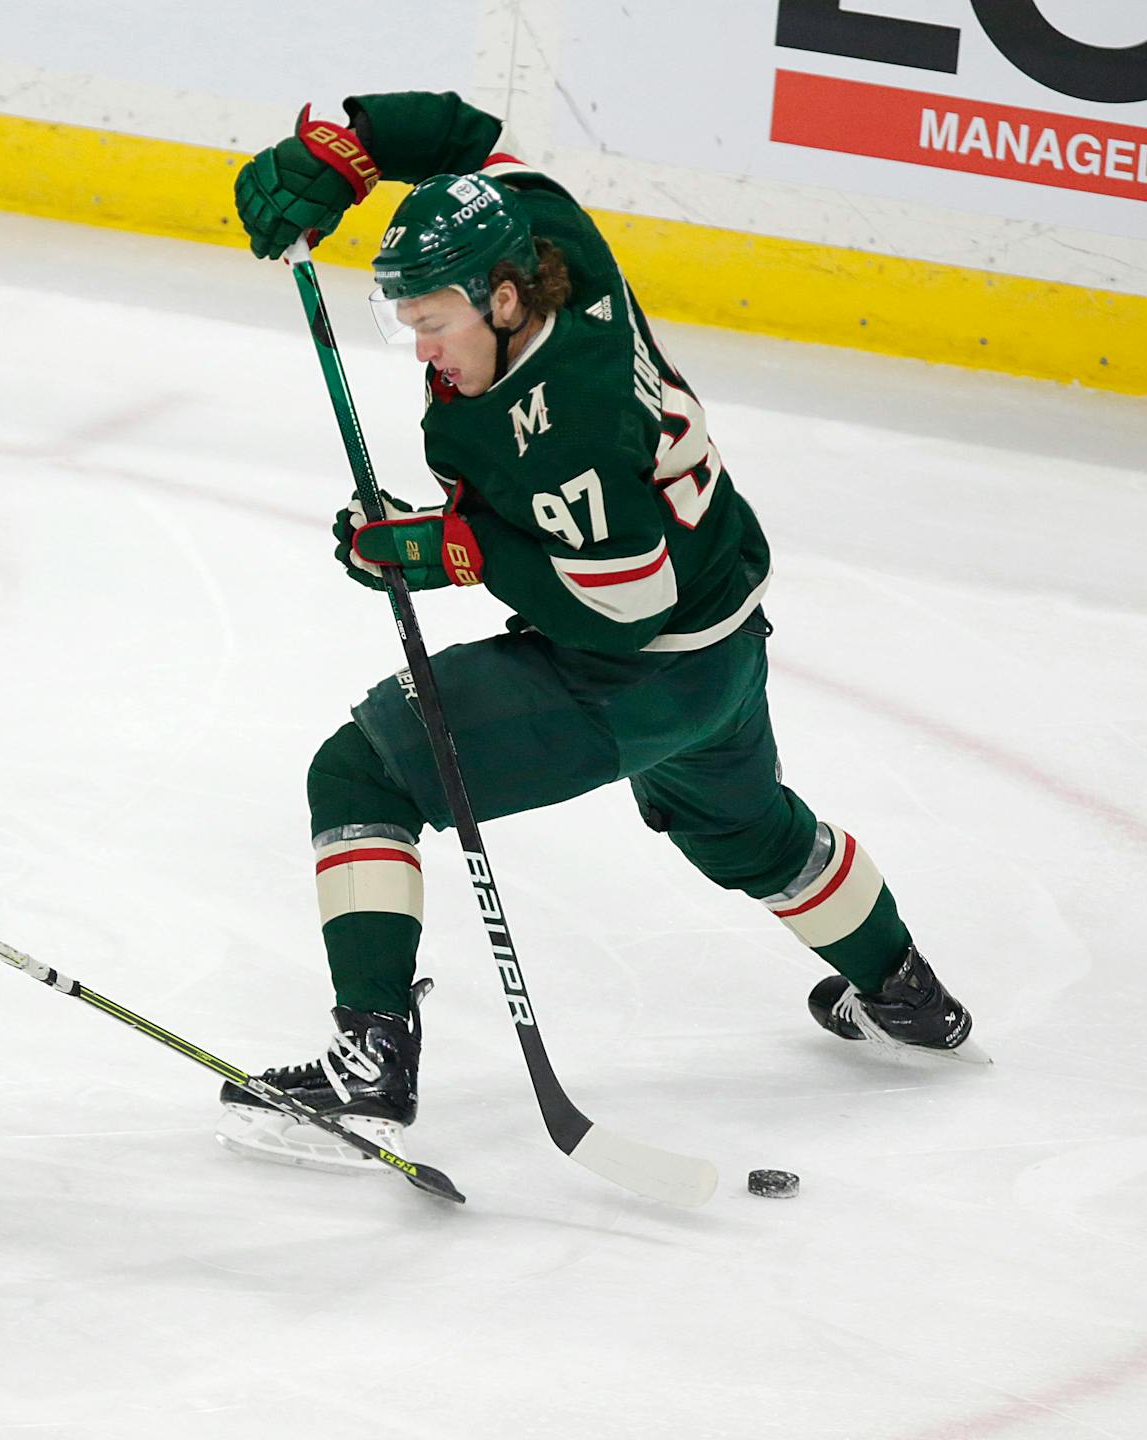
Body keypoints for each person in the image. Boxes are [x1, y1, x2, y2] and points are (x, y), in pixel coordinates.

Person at [213, 95, 984, 1173]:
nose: (419, 345)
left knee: (363, 775)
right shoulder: (551, 237)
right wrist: (346, 146)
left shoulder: (558, 423)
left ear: (505, 296)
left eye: (431, 317)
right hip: (724, 651)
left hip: (636, 667)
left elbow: (624, 605)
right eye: (405, 319)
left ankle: (372, 1063)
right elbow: (473, 139)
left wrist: (452, 552)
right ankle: (905, 995)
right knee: (750, 830)